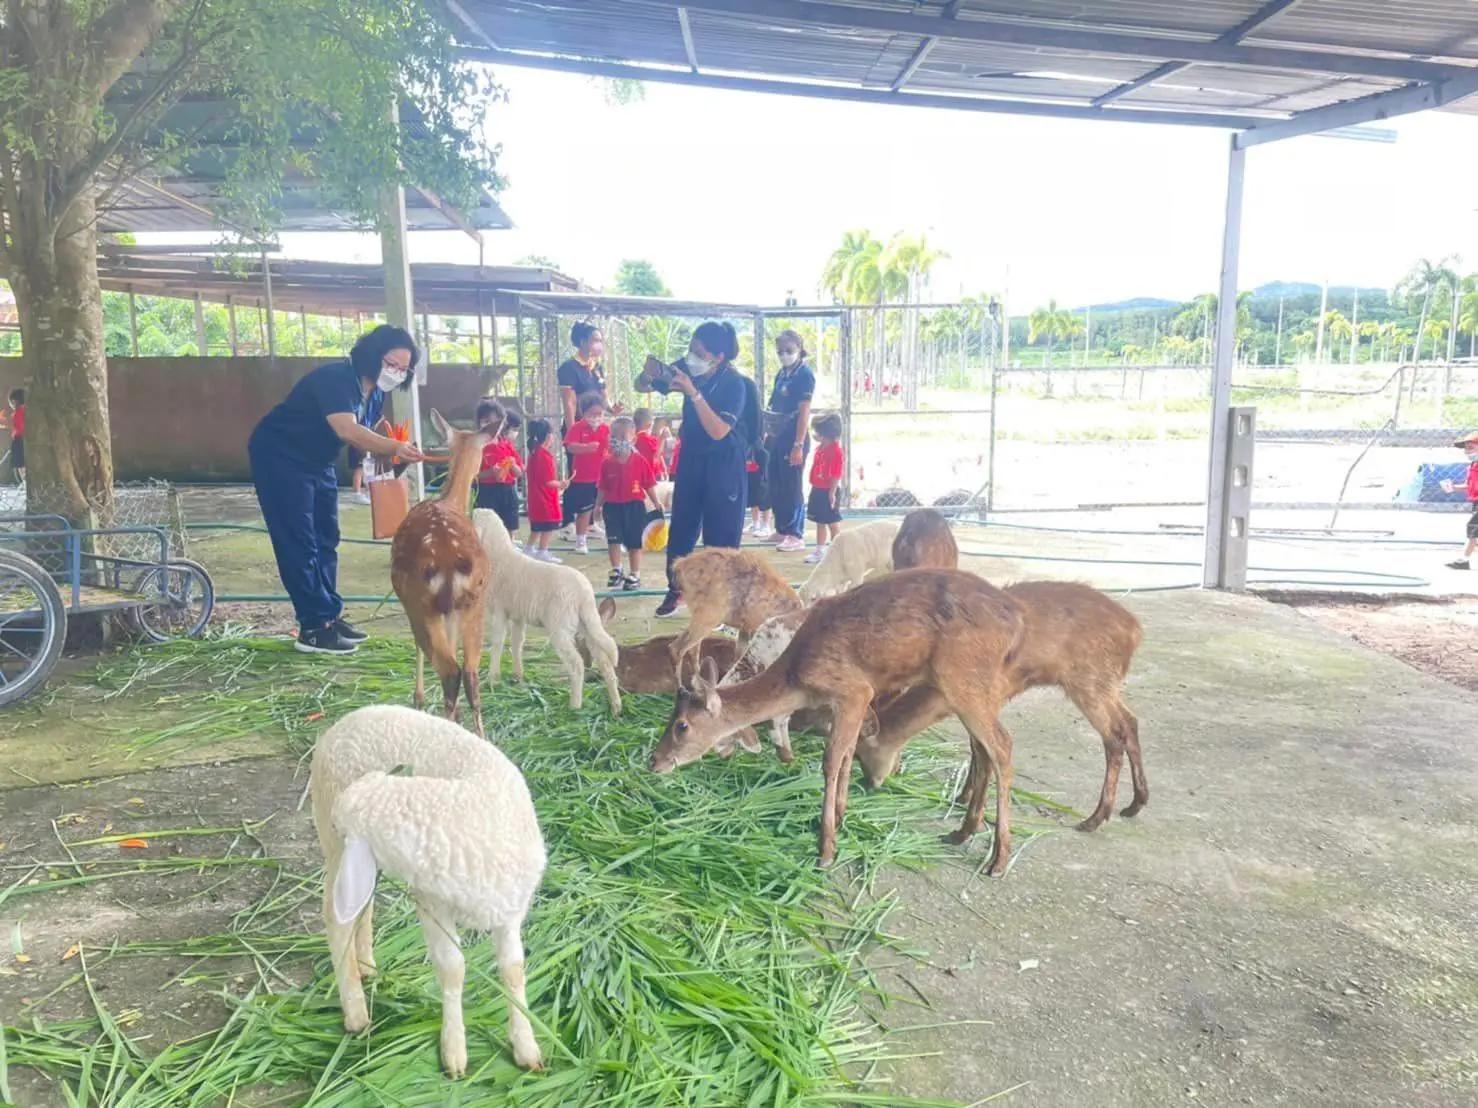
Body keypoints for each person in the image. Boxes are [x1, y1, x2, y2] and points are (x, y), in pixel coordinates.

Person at [248, 324, 425, 654]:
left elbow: (364, 436)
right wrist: (393, 446)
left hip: (318, 461)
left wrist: (392, 456)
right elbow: (347, 430)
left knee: (326, 537)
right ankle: (313, 626)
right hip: (281, 456)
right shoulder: (336, 379)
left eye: (404, 368)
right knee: (299, 540)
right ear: (372, 356)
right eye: (392, 364)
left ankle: (329, 615)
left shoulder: (375, 393)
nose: (397, 372)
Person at [636, 321, 751, 617]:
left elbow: (718, 431)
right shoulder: (688, 368)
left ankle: (721, 602)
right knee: (683, 528)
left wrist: (693, 394)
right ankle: (677, 591)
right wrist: (650, 373)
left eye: (699, 353)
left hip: (724, 463)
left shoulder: (733, 384)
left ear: (719, 356)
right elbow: (642, 384)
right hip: (692, 460)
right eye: (691, 350)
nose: (692, 357)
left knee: (721, 536)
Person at [765, 329, 815, 553]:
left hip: (794, 438)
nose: (784, 355)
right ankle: (782, 528)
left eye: (789, 350)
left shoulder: (804, 375)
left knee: (792, 486)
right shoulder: (783, 373)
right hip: (777, 437)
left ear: (799, 348)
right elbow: (774, 405)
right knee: (777, 483)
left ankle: (796, 533)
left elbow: (804, 412)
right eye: (780, 351)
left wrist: (798, 444)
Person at [598, 416, 660, 591]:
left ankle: (634, 574)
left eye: (623, 437)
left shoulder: (640, 461)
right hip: (612, 507)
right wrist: (597, 506)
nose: (619, 440)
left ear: (633, 438)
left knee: (635, 543)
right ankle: (616, 570)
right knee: (613, 540)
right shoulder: (607, 463)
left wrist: (656, 502)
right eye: (615, 436)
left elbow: (648, 484)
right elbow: (602, 487)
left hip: (634, 507)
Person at [562, 392, 609, 555]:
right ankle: (580, 541)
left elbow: (610, 448)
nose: (596, 418)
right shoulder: (577, 427)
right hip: (583, 478)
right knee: (584, 511)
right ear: (584, 413)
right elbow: (569, 447)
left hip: (602, 477)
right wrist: (586, 448)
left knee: (607, 509)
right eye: (592, 414)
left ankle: (614, 539)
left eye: (600, 414)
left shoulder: (605, 428)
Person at [476, 404, 523, 538]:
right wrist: (490, 473)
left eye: (495, 421)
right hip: (486, 492)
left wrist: (513, 466)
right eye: (485, 421)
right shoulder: (477, 446)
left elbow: (519, 472)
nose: (490, 425)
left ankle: (509, 548)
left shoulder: (506, 445)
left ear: (503, 423)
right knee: (487, 528)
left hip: (508, 490)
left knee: (509, 525)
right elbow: (472, 475)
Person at [523, 418, 565, 563]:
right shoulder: (544, 456)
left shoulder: (534, 453)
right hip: (544, 498)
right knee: (547, 526)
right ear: (548, 436)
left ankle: (529, 548)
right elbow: (548, 481)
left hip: (536, 497)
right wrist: (562, 484)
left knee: (537, 527)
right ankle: (542, 550)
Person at [806, 411, 845, 563]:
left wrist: (832, 492)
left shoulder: (835, 451)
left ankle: (837, 550)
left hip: (828, 491)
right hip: (817, 488)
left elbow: (836, 474)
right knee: (820, 521)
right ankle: (820, 550)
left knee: (832, 522)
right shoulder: (822, 446)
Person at [1441, 431, 1478, 569]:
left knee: (1473, 528)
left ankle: (1464, 560)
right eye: (1466, 449)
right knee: (1474, 531)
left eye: (1471, 448)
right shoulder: (1472, 466)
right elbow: (1469, 485)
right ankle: (1464, 560)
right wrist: (1453, 487)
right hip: (1476, 502)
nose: (1467, 452)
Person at [746, 438, 772, 538]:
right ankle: (755, 523)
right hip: (750, 463)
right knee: (752, 494)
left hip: (761, 461)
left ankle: (766, 525)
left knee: (764, 493)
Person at [633, 407, 665, 478]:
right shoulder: (649, 440)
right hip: (646, 475)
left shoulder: (630, 438)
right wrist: (662, 439)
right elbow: (656, 456)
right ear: (649, 424)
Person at [6, 388, 25, 486]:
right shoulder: (26, 410)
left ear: (14, 401)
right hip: (23, 440)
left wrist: (6, 423)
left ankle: (24, 483)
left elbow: (18, 427)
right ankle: (24, 483)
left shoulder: (18, 412)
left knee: (20, 464)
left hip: (19, 440)